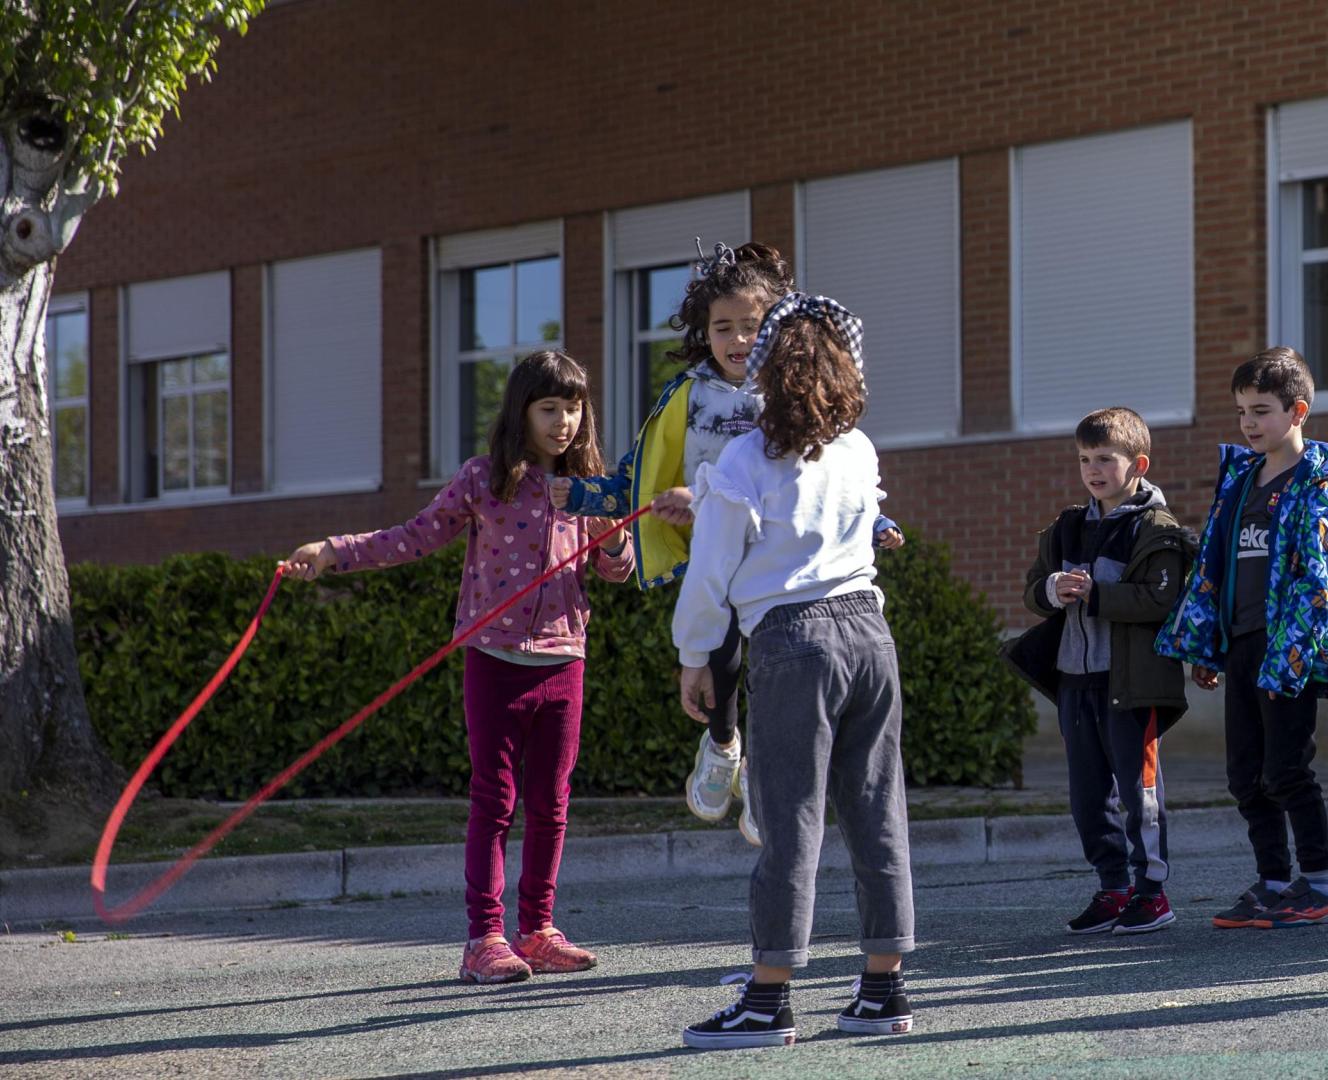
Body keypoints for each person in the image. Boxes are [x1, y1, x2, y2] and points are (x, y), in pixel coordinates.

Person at [284, 350, 633, 984]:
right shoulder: (483, 479)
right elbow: (414, 536)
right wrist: (333, 551)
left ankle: (538, 930)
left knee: (551, 804)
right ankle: (484, 939)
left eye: (573, 408)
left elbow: (615, 570)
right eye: (549, 408)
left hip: (564, 661)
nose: (563, 422)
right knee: (494, 801)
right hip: (494, 660)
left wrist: (613, 537)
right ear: (521, 412)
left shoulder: (589, 488)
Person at [554, 241, 900, 845]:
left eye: (752, 325)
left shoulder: (793, 393)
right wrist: (580, 496)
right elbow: (636, 479)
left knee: (779, 675)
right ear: (703, 331)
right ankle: (722, 744)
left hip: (780, 567)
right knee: (719, 659)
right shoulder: (686, 398)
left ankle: (766, 776)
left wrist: (875, 523)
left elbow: (835, 482)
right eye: (723, 327)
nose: (739, 339)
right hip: (712, 556)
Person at [675, 294, 915, 1049]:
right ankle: (884, 988)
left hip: (791, 639)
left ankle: (768, 998)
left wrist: (694, 655)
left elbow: (710, 573)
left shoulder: (744, 460)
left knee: (789, 819)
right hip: (869, 632)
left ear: (768, 375)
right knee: (877, 810)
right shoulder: (858, 449)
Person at [1157, 347, 1328, 930]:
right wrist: (1208, 644)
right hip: (1243, 644)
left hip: (1287, 653)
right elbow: (1215, 566)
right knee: (1245, 776)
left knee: (1287, 770)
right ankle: (1273, 881)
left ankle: (1319, 885)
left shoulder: (1324, 486)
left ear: (1298, 412)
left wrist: (1288, 662)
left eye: (1262, 410)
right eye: (1242, 411)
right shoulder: (1241, 481)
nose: (1249, 423)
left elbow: (1318, 585)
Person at [1003, 407, 1197, 936]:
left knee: (1139, 794)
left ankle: (1152, 893)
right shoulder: (1066, 526)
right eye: (1085, 459)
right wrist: (1051, 590)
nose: (1094, 470)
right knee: (1088, 798)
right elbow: (1033, 589)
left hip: (1131, 685)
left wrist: (1097, 595)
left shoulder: (1157, 528)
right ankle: (1113, 889)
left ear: (1138, 464)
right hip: (1075, 681)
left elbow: (1162, 600)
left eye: (1106, 459)